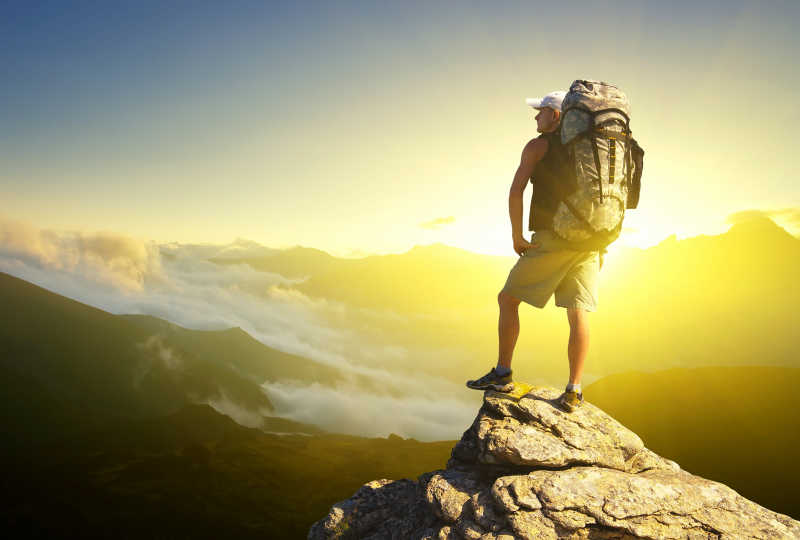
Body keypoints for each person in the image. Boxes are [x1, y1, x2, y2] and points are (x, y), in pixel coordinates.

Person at [466, 90, 602, 413]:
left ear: (556, 116)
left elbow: (516, 191)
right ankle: (574, 390)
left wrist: (517, 234)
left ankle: (502, 374)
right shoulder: (589, 148)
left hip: (553, 238)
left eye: (541, 111)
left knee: (507, 298)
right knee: (577, 312)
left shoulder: (538, 146)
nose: (535, 116)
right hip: (591, 242)